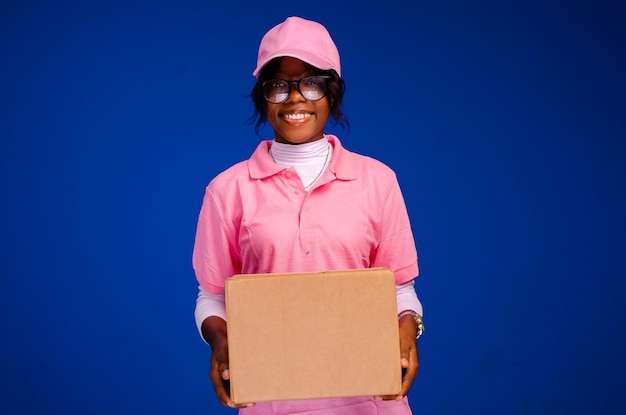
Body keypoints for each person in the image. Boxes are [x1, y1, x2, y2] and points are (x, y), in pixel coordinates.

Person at [192, 16, 424, 415]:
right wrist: (221, 342)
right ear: (263, 97)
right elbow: (212, 296)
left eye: (311, 83)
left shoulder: (377, 180)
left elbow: (400, 289)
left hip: (370, 397)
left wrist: (408, 329)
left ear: (331, 93)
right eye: (279, 85)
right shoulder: (227, 189)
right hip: (270, 397)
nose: (295, 98)